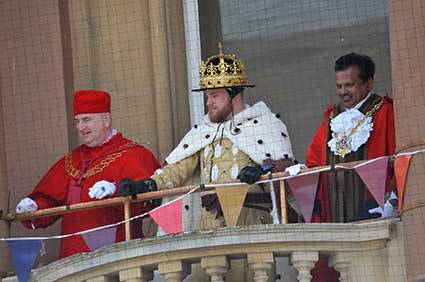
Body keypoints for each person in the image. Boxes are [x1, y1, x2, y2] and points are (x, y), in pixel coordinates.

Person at [119, 44, 295, 281]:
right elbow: (177, 170)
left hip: (251, 224)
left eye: (214, 95)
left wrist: (261, 169)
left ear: (234, 94)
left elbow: (286, 166)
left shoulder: (266, 124)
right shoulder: (202, 131)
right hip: (208, 228)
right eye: (206, 96)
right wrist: (147, 185)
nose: (208, 102)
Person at [15, 90, 160, 258]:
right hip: (72, 262)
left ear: (106, 119)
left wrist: (117, 189)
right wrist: (34, 208)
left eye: (87, 120)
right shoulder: (72, 159)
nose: (80, 128)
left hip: (119, 260)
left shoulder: (134, 154)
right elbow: (49, 201)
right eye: (77, 121)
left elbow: (150, 200)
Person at [300, 53, 397, 281]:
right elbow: (312, 164)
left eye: (350, 85)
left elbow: (402, 159)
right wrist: (299, 171)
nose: (343, 91)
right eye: (339, 86)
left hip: (376, 217)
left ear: (368, 83)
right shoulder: (331, 120)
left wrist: (392, 201)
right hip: (336, 221)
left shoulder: (386, 113)